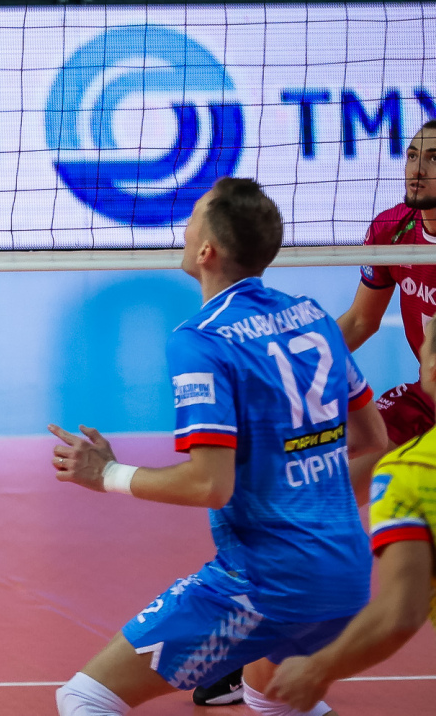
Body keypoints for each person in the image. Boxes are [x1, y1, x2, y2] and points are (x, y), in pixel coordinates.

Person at [48, 177, 388, 714]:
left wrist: (107, 474)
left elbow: (210, 484)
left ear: (206, 250)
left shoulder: (201, 340)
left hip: (266, 584)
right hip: (345, 577)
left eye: (191, 219)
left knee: (85, 697)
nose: (183, 229)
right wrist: (304, 497)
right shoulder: (314, 316)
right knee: (269, 697)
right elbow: (372, 441)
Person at [265, 315, 436, 710]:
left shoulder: (409, 472)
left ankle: (250, 641)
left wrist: (316, 669)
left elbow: (400, 613)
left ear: (430, 368)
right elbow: (361, 318)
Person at [333, 117, 436, 445]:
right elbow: (361, 321)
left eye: (434, 158)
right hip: (428, 397)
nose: (417, 170)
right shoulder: (391, 229)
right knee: (344, 454)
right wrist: (295, 365)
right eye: (412, 156)